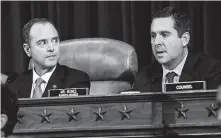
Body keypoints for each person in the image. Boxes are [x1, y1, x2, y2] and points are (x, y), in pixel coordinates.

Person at [133, 6, 221, 92]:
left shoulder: (212, 73)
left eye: (164, 35)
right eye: (153, 36)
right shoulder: (143, 78)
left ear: (184, 39)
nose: (156, 42)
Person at [8, 18, 90, 98]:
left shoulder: (77, 80)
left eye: (55, 40)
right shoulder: (15, 83)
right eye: (42, 42)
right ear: (28, 50)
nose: (51, 48)